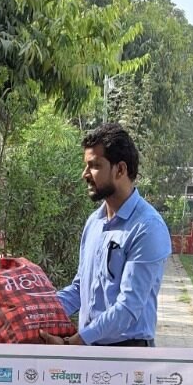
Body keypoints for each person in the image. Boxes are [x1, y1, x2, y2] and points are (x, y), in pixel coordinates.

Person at [45, 123, 172, 347]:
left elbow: (128, 308)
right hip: (88, 348)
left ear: (120, 170)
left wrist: (73, 343)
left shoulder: (147, 228)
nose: (85, 174)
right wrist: (38, 313)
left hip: (127, 357)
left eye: (94, 165)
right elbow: (79, 289)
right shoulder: (94, 223)